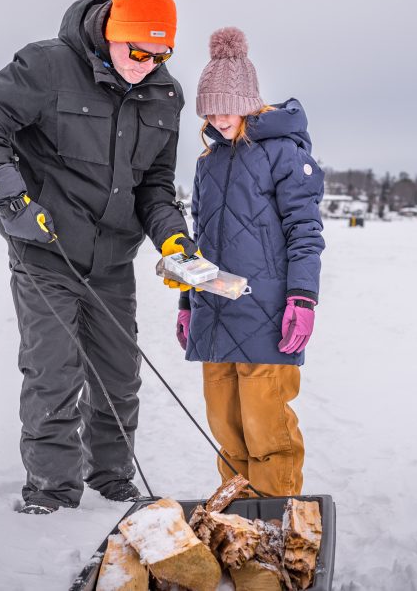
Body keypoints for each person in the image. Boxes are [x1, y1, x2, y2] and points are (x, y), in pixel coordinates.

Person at [0, 0, 197, 515]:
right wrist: (13, 199)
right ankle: (51, 491)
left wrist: (173, 237)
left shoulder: (165, 94)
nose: (148, 63)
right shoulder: (47, 67)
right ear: (112, 33)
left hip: (112, 258)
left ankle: (112, 479)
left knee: (119, 374)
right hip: (45, 249)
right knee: (53, 371)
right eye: (139, 50)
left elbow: (155, 185)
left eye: (162, 54)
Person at [176, 27, 325, 497]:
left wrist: (303, 298)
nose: (218, 118)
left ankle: (278, 533)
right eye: (209, 110)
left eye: (226, 106)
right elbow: (198, 240)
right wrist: (186, 301)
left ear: (248, 101)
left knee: (268, 436)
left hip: (267, 317)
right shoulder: (208, 163)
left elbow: (305, 231)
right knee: (227, 434)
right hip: (215, 313)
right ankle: (240, 529)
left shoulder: (284, 154)